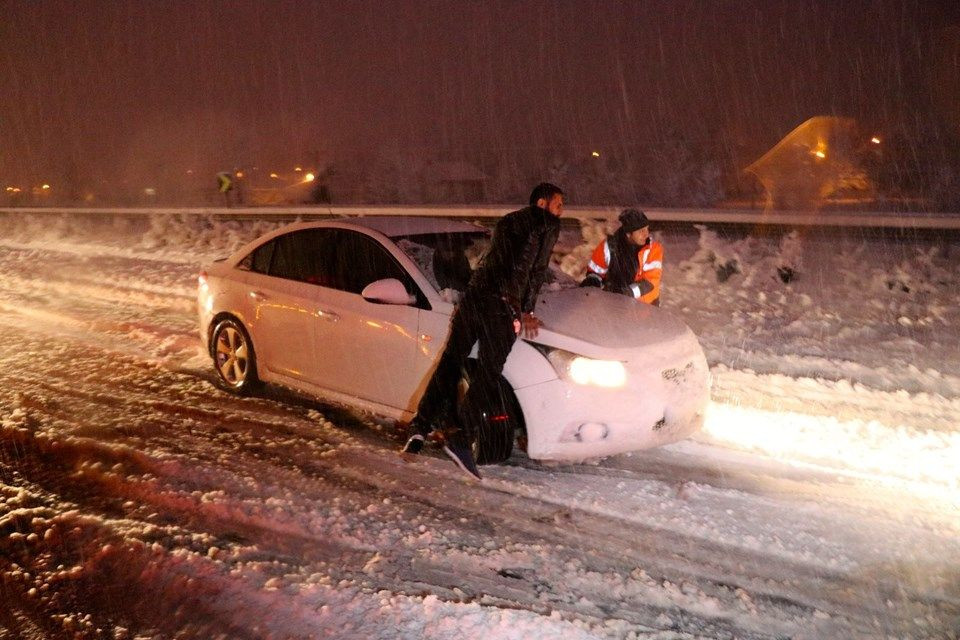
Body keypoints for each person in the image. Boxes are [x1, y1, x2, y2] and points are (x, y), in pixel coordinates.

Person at [401, 182, 565, 479]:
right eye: (558, 204)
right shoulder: (546, 225)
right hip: (500, 306)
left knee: (451, 362)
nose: (561, 210)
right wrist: (524, 309)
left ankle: (420, 427)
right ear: (542, 204)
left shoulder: (507, 221)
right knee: (489, 372)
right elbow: (532, 270)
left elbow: (498, 262)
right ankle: (461, 437)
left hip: (474, 298)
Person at [580, 208, 662, 306]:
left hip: (646, 308)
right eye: (641, 231)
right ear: (628, 234)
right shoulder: (608, 247)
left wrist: (626, 292)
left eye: (647, 229)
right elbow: (595, 271)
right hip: (614, 305)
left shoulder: (654, 249)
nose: (646, 234)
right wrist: (593, 280)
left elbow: (649, 282)